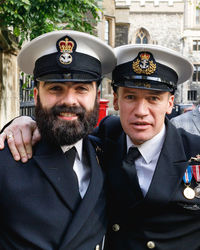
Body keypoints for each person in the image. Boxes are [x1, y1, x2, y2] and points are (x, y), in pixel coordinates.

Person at [2, 44, 200, 250]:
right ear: (116, 100)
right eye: (130, 97)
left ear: (170, 103)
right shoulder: (106, 139)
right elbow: (66, 125)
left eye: (153, 99)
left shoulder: (194, 151)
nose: (141, 111)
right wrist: (21, 122)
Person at [0, 30, 116, 249]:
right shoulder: (6, 160)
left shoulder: (110, 154)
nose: (69, 101)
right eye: (55, 88)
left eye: (81, 89)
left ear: (97, 98)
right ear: (36, 97)